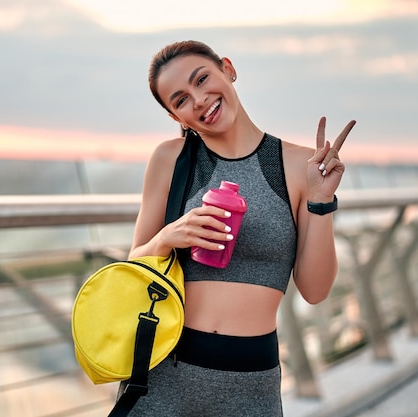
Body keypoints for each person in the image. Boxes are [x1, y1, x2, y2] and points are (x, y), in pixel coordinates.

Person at [119, 40, 356, 416]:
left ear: (228, 69)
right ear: (176, 117)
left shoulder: (297, 166)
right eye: (180, 100)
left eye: (202, 80)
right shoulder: (170, 160)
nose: (197, 100)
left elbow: (315, 290)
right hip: (162, 376)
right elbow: (133, 265)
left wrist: (321, 201)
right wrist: (168, 237)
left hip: (251, 385)